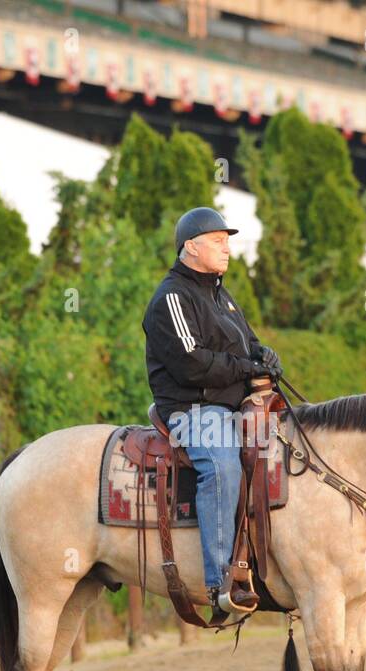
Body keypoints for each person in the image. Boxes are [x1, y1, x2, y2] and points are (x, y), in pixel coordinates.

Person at [142, 207, 282, 617]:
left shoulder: (221, 293)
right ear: (190, 247)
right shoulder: (171, 297)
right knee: (222, 468)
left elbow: (247, 343)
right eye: (218, 242)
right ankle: (221, 581)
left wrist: (264, 356)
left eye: (228, 241)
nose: (227, 249)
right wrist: (248, 368)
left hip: (232, 403)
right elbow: (192, 362)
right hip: (194, 408)